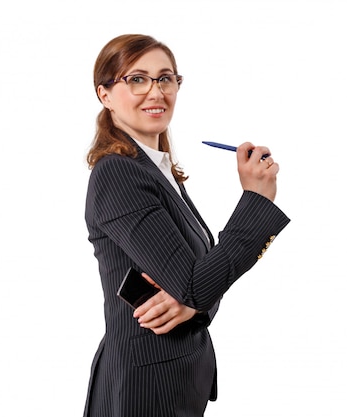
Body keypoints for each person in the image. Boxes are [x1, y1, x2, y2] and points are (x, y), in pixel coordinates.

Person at [83, 34, 290, 417]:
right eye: (137, 79)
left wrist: (195, 307)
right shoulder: (119, 175)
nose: (156, 91)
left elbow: (205, 280)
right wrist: (256, 201)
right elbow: (197, 285)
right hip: (144, 392)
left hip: (177, 382)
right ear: (105, 94)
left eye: (166, 78)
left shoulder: (159, 173)